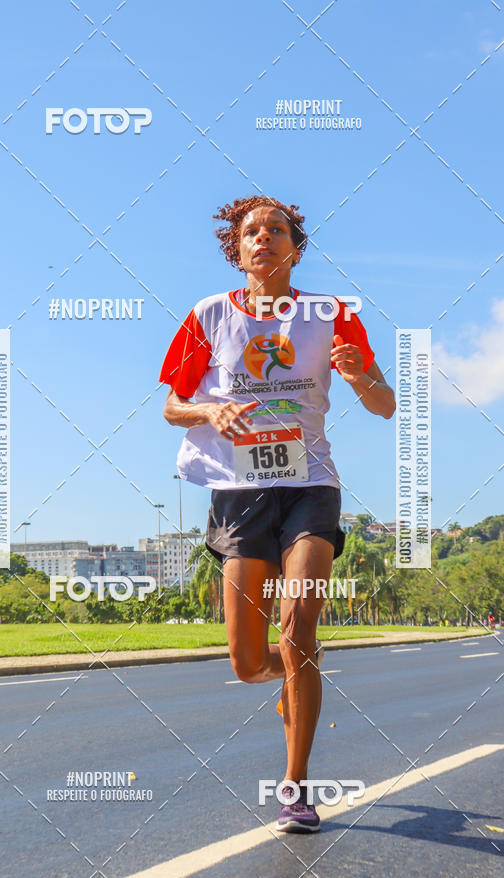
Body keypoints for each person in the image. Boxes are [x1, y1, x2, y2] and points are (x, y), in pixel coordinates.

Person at [159, 196, 395, 833]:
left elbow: (385, 405)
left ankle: (295, 786)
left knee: (299, 626)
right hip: (239, 494)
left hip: (310, 487)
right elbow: (171, 408)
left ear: (296, 246)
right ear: (235, 248)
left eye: (277, 229)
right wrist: (209, 410)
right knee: (247, 661)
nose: (263, 238)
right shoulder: (208, 315)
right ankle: (288, 676)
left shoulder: (331, 315)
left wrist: (359, 378)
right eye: (251, 231)